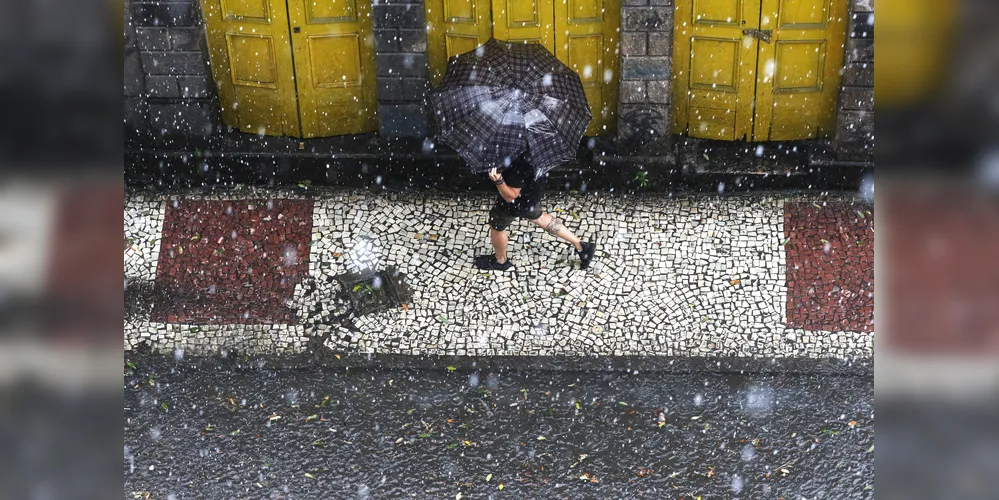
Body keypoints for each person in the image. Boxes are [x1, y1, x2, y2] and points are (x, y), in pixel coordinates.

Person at [473, 154, 596, 271]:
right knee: (539, 217)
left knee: (496, 225)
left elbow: (511, 196)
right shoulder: (537, 147)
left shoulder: (521, 162)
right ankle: (581, 245)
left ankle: (500, 261)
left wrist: (498, 181)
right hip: (532, 194)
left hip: (518, 201)